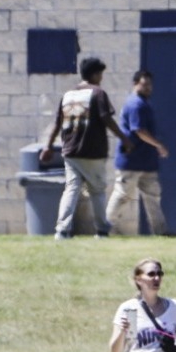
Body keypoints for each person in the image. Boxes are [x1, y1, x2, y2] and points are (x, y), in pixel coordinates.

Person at [40, 57, 132, 239]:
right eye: (101, 74)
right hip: (92, 152)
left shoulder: (68, 95)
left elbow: (57, 123)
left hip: (70, 151)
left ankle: (62, 230)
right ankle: (101, 230)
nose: (102, 78)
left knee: (71, 189)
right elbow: (107, 119)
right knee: (97, 191)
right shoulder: (98, 94)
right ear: (95, 74)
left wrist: (48, 146)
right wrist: (124, 138)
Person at [106, 70, 170, 236]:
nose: (148, 88)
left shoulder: (143, 103)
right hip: (131, 161)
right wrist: (159, 145)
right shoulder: (136, 104)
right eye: (144, 84)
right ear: (135, 84)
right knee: (122, 195)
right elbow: (139, 130)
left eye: (150, 84)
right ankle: (105, 229)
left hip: (146, 162)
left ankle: (160, 233)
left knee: (153, 198)